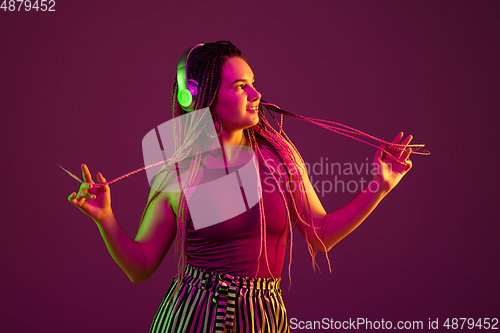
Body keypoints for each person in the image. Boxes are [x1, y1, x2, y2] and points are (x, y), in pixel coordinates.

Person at [68, 41, 414, 333]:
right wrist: (106, 218)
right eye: (239, 87)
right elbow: (140, 265)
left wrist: (379, 186)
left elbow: (320, 233)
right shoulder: (179, 170)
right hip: (193, 317)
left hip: (263, 316)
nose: (256, 94)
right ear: (199, 96)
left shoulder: (280, 158)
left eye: (252, 82)